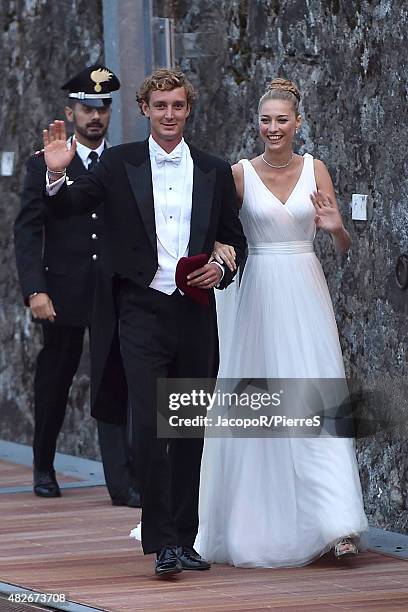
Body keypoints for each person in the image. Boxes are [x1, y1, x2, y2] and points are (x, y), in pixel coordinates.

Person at [41, 68, 247, 577]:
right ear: (145, 110)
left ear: (188, 110)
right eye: (161, 107)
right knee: (152, 428)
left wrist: (220, 267)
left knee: (189, 430)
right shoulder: (117, 164)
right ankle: (162, 544)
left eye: (178, 106)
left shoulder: (215, 170)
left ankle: (186, 537)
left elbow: (233, 239)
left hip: (196, 313)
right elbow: (70, 206)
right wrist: (55, 174)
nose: (170, 115)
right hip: (139, 311)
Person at [195, 78, 368, 567]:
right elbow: (222, 235)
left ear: (298, 123)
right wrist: (221, 254)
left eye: (281, 120)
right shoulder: (239, 174)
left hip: (304, 288)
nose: (273, 128)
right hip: (257, 296)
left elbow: (340, 244)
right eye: (266, 120)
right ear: (259, 123)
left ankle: (336, 522)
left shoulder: (317, 170)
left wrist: (338, 232)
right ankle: (254, 519)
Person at [14, 64, 141, 508]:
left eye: (102, 108)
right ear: (70, 112)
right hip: (62, 291)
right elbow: (28, 230)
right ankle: (44, 466)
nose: (95, 117)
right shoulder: (43, 163)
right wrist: (35, 289)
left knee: (115, 381)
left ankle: (122, 482)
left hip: (112, 292)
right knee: (55, 379)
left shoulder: (123, 162)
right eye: (87, 108)